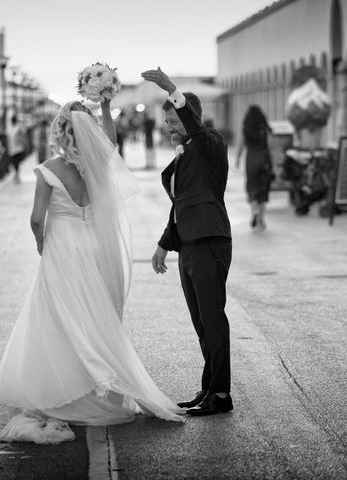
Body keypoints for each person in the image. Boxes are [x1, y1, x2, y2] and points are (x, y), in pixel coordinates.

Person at [0, 99, 184, 444]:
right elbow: (108, 143)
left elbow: (37, 219)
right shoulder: (95, 167)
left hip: (61, 247)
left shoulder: (49, 169)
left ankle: (69, 389)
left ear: (61, 131)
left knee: (59, 317)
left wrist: (39, 241)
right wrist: (106, 106)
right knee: (93, 315)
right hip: (92, 245)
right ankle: (98, 381)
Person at [142, 67, 233, 416]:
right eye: (166, 124)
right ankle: (209, 387)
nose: (170, 129)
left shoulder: (211, 144)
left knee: (213, 318)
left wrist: (170, 89)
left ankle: (221, 395)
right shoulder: (182, 157)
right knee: (200, 322)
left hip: (211, 242)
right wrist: (165, 243)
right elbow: (181, 206)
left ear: (190, 117)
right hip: (190, 245)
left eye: (174, 122)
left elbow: (193, 126)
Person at [235, 105, 273, 230]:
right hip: (264, 160)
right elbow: (271, 147)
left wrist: (237, 159)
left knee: (252, 188)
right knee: (263, 190)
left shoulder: (246, 129)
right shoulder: (265, 129)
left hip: (251, 160)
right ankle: (261, 219)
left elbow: (240, 144)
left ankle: (255, 212)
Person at [7, 115, 26, 183]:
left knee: (14, 163)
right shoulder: (18, 128)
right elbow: (22, 138)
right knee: (17, 163)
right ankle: (17, 176)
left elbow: (8, 140)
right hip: (18, 148)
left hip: (12, 149)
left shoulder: (9, 129)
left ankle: (16, 176)